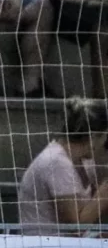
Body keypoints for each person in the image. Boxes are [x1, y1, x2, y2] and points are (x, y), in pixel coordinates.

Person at [19, 98, 108, 235]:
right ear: (94, 136)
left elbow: (90, 210)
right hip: (45, 242)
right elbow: (75, 228)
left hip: (71, 240)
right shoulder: (56, 163)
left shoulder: (83, 160)